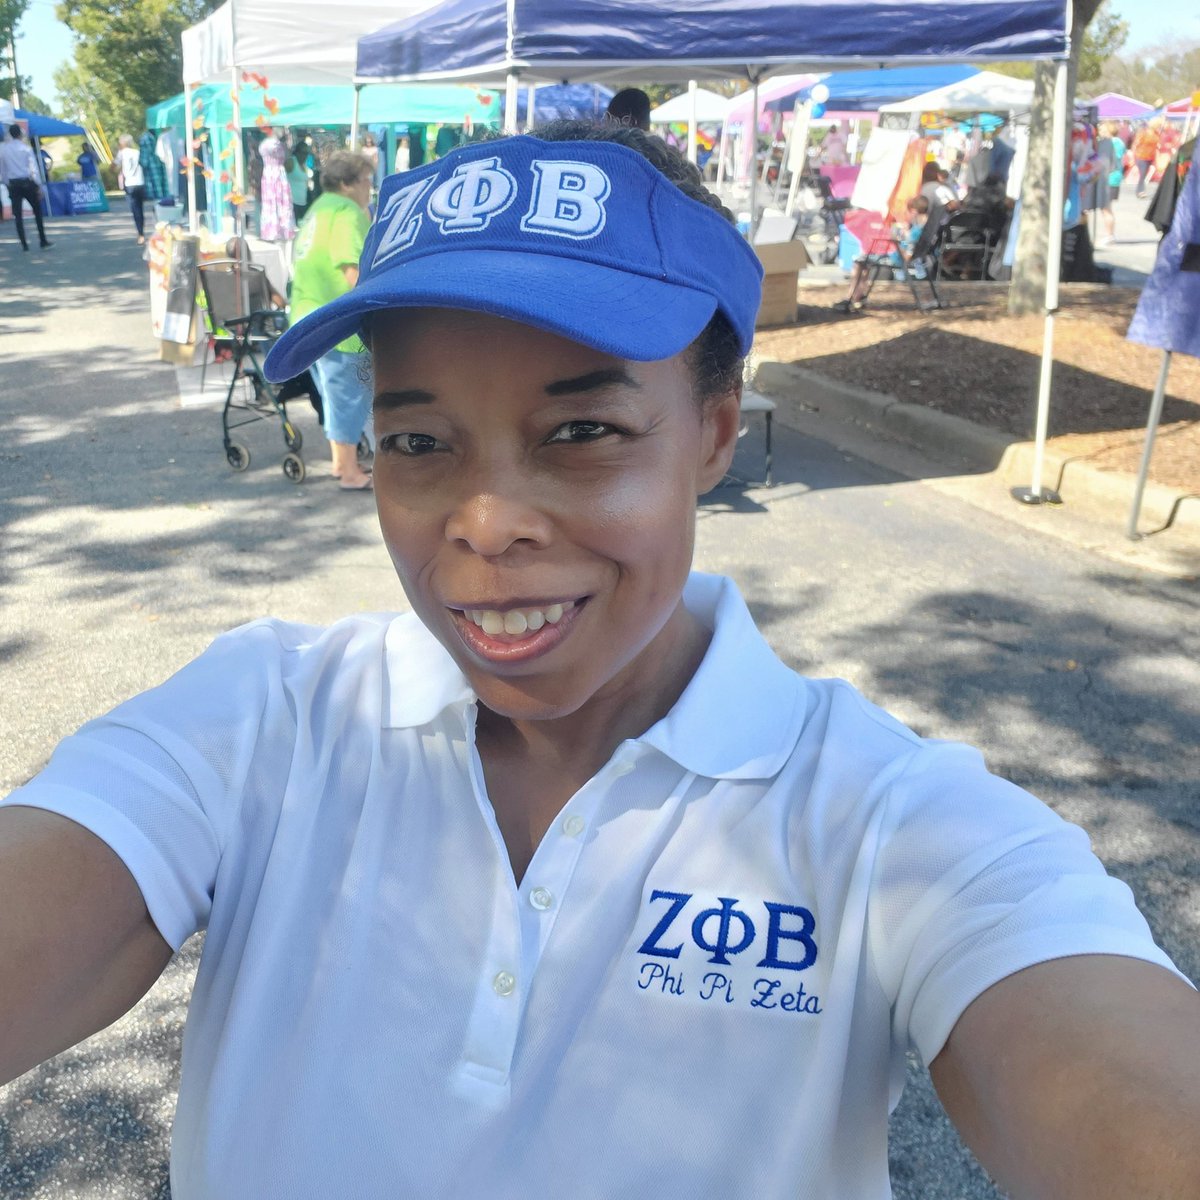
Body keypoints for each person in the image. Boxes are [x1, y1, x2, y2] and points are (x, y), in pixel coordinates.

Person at [2, 122, 1199, 1200]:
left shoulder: (891, 821)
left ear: (715, 433)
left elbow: (1105, 1064)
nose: (484, 520)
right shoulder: (265, 719)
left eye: (582, 431)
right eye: (417, 440)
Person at [288, 149, 374, 489]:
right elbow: (353, 268)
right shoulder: (346, 212)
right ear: (347, 183)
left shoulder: (317, 209)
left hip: (306, 316)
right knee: (348, 395)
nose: (370, 187)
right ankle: (349, 471)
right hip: (337, 320)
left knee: (333, 392)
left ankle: (342, 462)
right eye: (366, 180)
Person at [835, 194, 929, 311]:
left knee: (860, 261)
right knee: (865, 262)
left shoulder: (916, 231)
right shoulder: (924, 226)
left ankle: (851, 297)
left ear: (914, 211)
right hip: (904, 255)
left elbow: (907, 253)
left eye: (909, 211)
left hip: (898, 257)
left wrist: (894, 240)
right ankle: (857, 296)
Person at [0, 124, 52, 250]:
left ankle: (24, 244)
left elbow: (3, 170)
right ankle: (42, 240)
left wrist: (7, 183)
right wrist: (38, 185)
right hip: (27, 182)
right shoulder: (26, 148)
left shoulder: (4, 150)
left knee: (17, 215)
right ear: (20, 134)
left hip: (13, 184)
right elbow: (33, 169)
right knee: (37, 212)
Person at [257, 130, 297, 242]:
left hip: (268, 174)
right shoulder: (275, 144)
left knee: (272, 202)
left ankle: (273, 229)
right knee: (281, 201)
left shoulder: (265, 145)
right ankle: (282, 228)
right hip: (278, 173)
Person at [115, 133, 148, 244]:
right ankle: (142, 231)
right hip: (140, 182)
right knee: (140, 208)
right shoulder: (137, 152)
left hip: (130, 184)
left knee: (135, 210)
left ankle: (140, 233)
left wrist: (115, 172)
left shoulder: (122, 153)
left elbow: (114, 165)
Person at [1132, 119, 1159, 199]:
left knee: (1144, 174)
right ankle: (1140, 191)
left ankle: (1140, 190)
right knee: (1142, 174)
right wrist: (1134, 154)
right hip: (1141, 156)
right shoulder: (1143, 132)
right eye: (1158, 125)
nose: (1158, 127)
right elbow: (1136, 143)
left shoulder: (1156, 133)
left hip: (1150, 156)